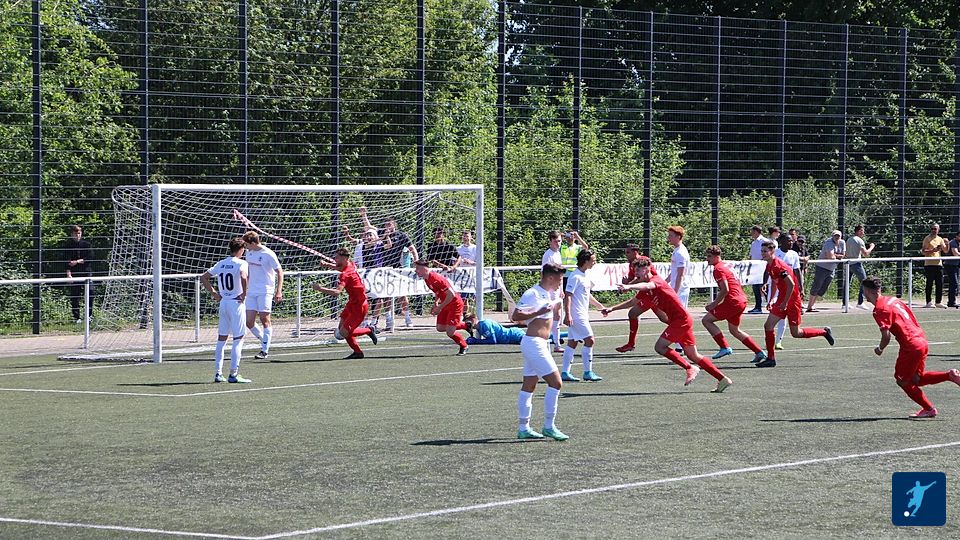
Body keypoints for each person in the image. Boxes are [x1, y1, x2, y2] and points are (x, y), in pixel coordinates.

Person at [604, 257, 733, 392]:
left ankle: (690, 367)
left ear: (646, 269)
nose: (636, 274)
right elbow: (632, 302)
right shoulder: (646, 290)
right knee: (693, 355)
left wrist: (629, 286)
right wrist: (612, 309)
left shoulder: (656, 281)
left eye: (638, 271)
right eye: (634, 271)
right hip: (680, 320)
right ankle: (722, 379)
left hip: (681, 321)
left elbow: (648, 286)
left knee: (660, 347)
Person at [861, 276, 960, 418]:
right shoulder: (893, 300)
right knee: (916, 379)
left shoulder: (880, 309)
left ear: (867, 291)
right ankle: (949, 376)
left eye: (863, 290)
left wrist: (880, 348)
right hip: (921, 340)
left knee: (902, 380)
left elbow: (886, 336)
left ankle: (929, 409)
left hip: (910, 345)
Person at [512, 263, 569, 441]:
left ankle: (524, 428)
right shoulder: (533, 293)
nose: (561, 282)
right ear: (550, 277)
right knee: (556, 383)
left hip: (542, 343)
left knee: (529, 385)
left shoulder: (550, 293)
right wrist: (538, 311)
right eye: (559, 279)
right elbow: (516, 316)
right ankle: (549, 426)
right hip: (533, 343)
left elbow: (552, 310)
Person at [757, 241, 834, 367]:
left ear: (772, 251)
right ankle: (771, 359)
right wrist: (771, 299)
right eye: (762, 251)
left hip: (792, 301)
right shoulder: (769, 265)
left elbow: (791, 284)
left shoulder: (779, 266)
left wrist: (785, 302)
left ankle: (824, 332)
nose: (763, 253)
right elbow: (776, 283)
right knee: (768, 326)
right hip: (782, 300)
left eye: (765, 251)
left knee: (796, 333)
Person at [702, 245, 766, 363]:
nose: (707, 259)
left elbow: (725, 289)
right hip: (741, 300)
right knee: (734, 330)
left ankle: (724, 347)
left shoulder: (718, 269)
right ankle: (759, 352)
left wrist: (713, 304)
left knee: (706, 320)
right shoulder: (726, 265)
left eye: (709, 256)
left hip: (733, 301)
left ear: (717, 256)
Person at [200, 237, 251, 383]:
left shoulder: (221, 263)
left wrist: (214, 293)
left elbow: (204, 277)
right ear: (241, 250)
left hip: (224, 303)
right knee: (238, 338)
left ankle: (218, 373)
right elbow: (243, 277)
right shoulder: (242, 263)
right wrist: (244, 294)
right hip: (236, 303)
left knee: (222, 339)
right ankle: (233, 374)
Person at [313, 248, 379, 359]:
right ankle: (358, 352)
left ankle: (369, 330)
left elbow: (337, 292)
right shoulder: (350, 264)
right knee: (341, 330)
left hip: (359, 306)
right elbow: (340, 267)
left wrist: (320, 288)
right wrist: (327, 265)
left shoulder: (345, 274)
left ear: (344, 258)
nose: (335, 259)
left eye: (337, 257)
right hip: (352, 303)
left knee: (343, 333)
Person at [361, 207, 418, 328]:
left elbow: (412, 248)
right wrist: (364, 215)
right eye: (386, 224)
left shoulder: (401, 235)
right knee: (385, 295)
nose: (387, 226)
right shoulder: (382, 234)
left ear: (394, 225)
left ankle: (407, 318)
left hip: (396, 268)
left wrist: (416, 262)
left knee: (402, 293)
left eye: (389, 224)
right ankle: (388, 318)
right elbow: (369, 227)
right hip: (383, 269)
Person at [560, 250, 607, 382]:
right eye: (593, 260)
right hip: (577, 315)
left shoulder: (585, 275)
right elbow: (568, 295)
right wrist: (568, 315)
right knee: (590, 340)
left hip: (582, 314)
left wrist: (600, 307)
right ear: (585, 261)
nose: (595, 262)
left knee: (572, 342)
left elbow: (587, 294)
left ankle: (565, 372)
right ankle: (587, 372)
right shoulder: (575, 276)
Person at [242, 231, 284, 360]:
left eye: (246, 244)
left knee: (264, 319)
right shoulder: (249, 253)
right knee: (249, 321)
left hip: (265, 290)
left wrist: (278, 291)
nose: (245, 247)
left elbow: (279, 272)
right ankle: (265, 341)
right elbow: (249, 272)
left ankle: (264, 350)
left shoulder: (268, 254)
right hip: (252, 290)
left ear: (253, 243)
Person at [414, 260, 469, 355]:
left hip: (454, 304)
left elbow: (451, 294)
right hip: (445, 303)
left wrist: (440, 307)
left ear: (425, 268)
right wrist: (436, 302)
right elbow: (438, 291)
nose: (416, 270)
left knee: (450, 332)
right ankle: (466, 325)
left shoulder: (435, 278)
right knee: (440, 327)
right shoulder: (427, 278)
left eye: (418, 268)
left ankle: (464, 345)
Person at [770, 236, 802, 351]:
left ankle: (778, 341)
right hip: (777, 287)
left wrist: (801, 287)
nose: (791, 242)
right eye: (788, 240)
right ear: (782, 242)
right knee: (774, 318)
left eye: (791, 241)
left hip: (789, 288)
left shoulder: (794, 254)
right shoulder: (775, 253)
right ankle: (771, 348)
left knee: (782, 316)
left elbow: (797, 270)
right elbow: (770, 271)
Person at [806, 230, 845, 313]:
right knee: (817, 285)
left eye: (838, 236)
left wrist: (835, 256)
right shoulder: (828, 242)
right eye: (835, 236)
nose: (837, 237)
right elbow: (830, 256)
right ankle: (810, 306)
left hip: (832, 268)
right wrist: (837, 256)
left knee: (823, 288)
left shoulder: (842, 243)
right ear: (832, 236)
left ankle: (812, 305)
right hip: (822, 267)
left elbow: (843, 254)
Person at [63, 224, 95, 323]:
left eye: (79, 233)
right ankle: (76, 317)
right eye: (75, 234)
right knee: (75, 295)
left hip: (86, 273)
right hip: (75, 274)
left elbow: (90, 257)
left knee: (90, 292)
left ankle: (89, 316)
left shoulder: (87, 245)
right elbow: (66, 261)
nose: (77, 235)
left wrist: (77, 261)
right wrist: (68, 274)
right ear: (71, 234)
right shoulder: (68, 246)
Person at [541, 230, 564, 351]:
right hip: (550, 288)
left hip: (557, 288)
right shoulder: (548, 255)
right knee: (549, 314)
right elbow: (544, 273)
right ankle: (547, 340)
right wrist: (547, 288)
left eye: (559, 241)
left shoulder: (558, 254)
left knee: (558, 314)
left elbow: (560, 273)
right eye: (555, 241)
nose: (558, 243)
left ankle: (557, 343)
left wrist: (561, 288)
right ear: (550, 241)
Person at [847, 224, 875, 310]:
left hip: (848, 263)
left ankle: (845, 303)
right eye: (862, 231)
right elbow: (865, 254)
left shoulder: (849, 239)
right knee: (864, 282)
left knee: (847, 283)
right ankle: (860, 302)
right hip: (856, 263)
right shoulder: (859, 240)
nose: (863, 233)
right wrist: (871, 247)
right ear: (859, 231)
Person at [920, 222, 948, 308]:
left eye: (935, 229)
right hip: (929, 264)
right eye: (932, 229)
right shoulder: (927, 238)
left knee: (939, 284)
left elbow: (946, 251)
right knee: (929, 283)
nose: (933, 230)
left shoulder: (940, 239)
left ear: (938, 230)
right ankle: (928, 302)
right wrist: (933, 250)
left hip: (938, 264)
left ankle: (938, 302)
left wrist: (947, 244)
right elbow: (923, 251)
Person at [747, 225, 768, 314]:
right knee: (755, 287)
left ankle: (771, 304)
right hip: (755, 268)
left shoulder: (765, 241)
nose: (751, 234)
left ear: (756, 232)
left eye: (752, 232)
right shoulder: (753, 243)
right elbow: (752, 255)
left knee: (765, 286)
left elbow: (769, 253)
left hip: (763, 267)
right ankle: (758, 307)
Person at [945, 232, 960, 308]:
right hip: (950, 265)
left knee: (954, 283)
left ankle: (952, 301)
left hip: (956, 265)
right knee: (954, 283)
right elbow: (955, 253)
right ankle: (951, 302)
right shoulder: (953, 242)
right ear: (957, 236)